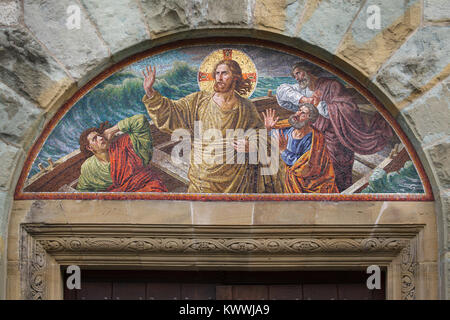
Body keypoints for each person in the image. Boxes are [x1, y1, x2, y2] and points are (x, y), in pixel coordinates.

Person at [141, 60, 282, 193]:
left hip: (236, 178)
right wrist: (150, 93)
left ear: (236, 78)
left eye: (225, 73)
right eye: (217, 73)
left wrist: (251, 145)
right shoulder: (199, 101)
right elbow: (173, 112)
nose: (219, 77)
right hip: (202, 176)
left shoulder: (246, 107)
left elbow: (258, 134)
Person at [276, 63, 393, 192]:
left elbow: (348, 108)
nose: (296, 78)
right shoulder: (303, 89)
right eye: (294, 75)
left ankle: (340, 192)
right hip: (315, 136)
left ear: (308, 70)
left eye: (298, 73)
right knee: (312, 170)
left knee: (336, 169)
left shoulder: (332, 85)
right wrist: (304, 99)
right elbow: (281, 91)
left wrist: (319, 105)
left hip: (336, 135)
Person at [76, 114, 167, 192]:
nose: (100, 138)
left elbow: (140, 120)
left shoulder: (124, 146)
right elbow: (82, 190)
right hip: (121, 201)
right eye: (94, 139)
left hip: (145, 189)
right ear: (89, 147)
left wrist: (111, 130)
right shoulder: (89, 167)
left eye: (100, 135)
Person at [263, 105, 338, 193]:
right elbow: (269, 137)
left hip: (302, 180)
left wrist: (284, 151)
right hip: (284, 171)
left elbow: (306, 168)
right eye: (299, 110)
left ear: (310, 121)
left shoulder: (314, 140)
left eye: (303, 113)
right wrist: (267, 129)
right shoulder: (287, 129)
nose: (297, 114)